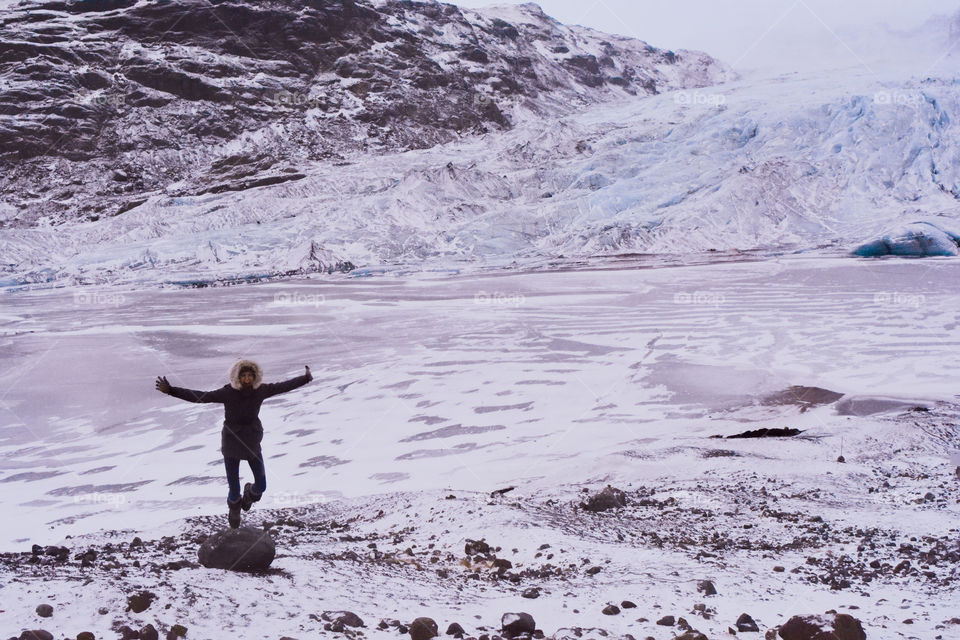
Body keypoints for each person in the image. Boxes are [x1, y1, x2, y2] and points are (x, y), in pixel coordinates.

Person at [155, 360, 312, 528]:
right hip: (232, 442)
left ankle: (249, 495)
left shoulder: (261, 390)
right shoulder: (228, 392)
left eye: (250, 375)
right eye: (243, 376)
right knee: (234, 489)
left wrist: (305, 379)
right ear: (237, 377)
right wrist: (171, 390)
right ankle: (234, 508)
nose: (247, 379)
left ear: (255, 376)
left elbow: (284, 386)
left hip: (252, 441)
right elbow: (201, 397)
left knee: (261, 485)